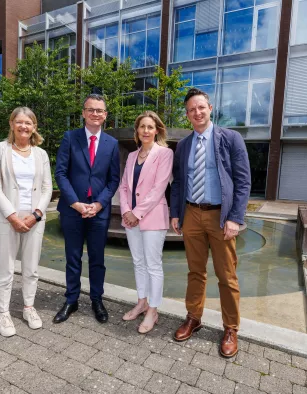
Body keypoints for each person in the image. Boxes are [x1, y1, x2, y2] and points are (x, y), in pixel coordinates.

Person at [170, 88, 251, 358]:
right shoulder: (183, 145)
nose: (197, 112)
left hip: (221, 216)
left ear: (210, 108)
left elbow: (243, 181)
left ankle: (230, 328)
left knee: (226, 275)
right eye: (192, 109)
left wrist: (235, 218)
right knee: (195, 271)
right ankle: (194, 317)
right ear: (187, 114)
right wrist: (175, 213)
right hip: (191, 214)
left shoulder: (230, 138)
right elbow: (179, 182)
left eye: (201, 107)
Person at [53, 94, 120, 324]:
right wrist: (75, 202)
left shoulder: (112, 144)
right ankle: (71, 299)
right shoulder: (70, 138)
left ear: (105, 115)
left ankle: (96, 300)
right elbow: (60, 173)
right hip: (72, 210)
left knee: (97, 258)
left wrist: (99, 204)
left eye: (99, 110)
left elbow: (113, 180)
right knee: (72, 257)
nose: (95, 114)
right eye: (90, 109)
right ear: (83, 113)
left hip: (99, 212)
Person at [0, 107, 53, 337]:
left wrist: (36, 215)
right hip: (7, 218)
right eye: (20, 122)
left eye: (29, 123)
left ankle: (28, 307)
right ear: (12, 123)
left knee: (31, 269)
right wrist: (12, 217)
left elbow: (47, 188)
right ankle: (3, 313)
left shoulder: (41, 154)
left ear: (34, 127)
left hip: (34, 218)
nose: (24, 126)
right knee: (5, 269)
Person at [119, 111, 173, 334]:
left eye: (150, 127)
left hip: (152, 217)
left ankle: (153, 309)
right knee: (138, 262)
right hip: (130, 219)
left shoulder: (165, 154)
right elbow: (123, 187)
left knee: (153, 265)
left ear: (157, 130)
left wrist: (136, 213)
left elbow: (158, 188)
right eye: (142, 127)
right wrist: (125, 211)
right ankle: (141, 302)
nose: (146, 131)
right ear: (137, 130)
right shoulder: (132, 156)